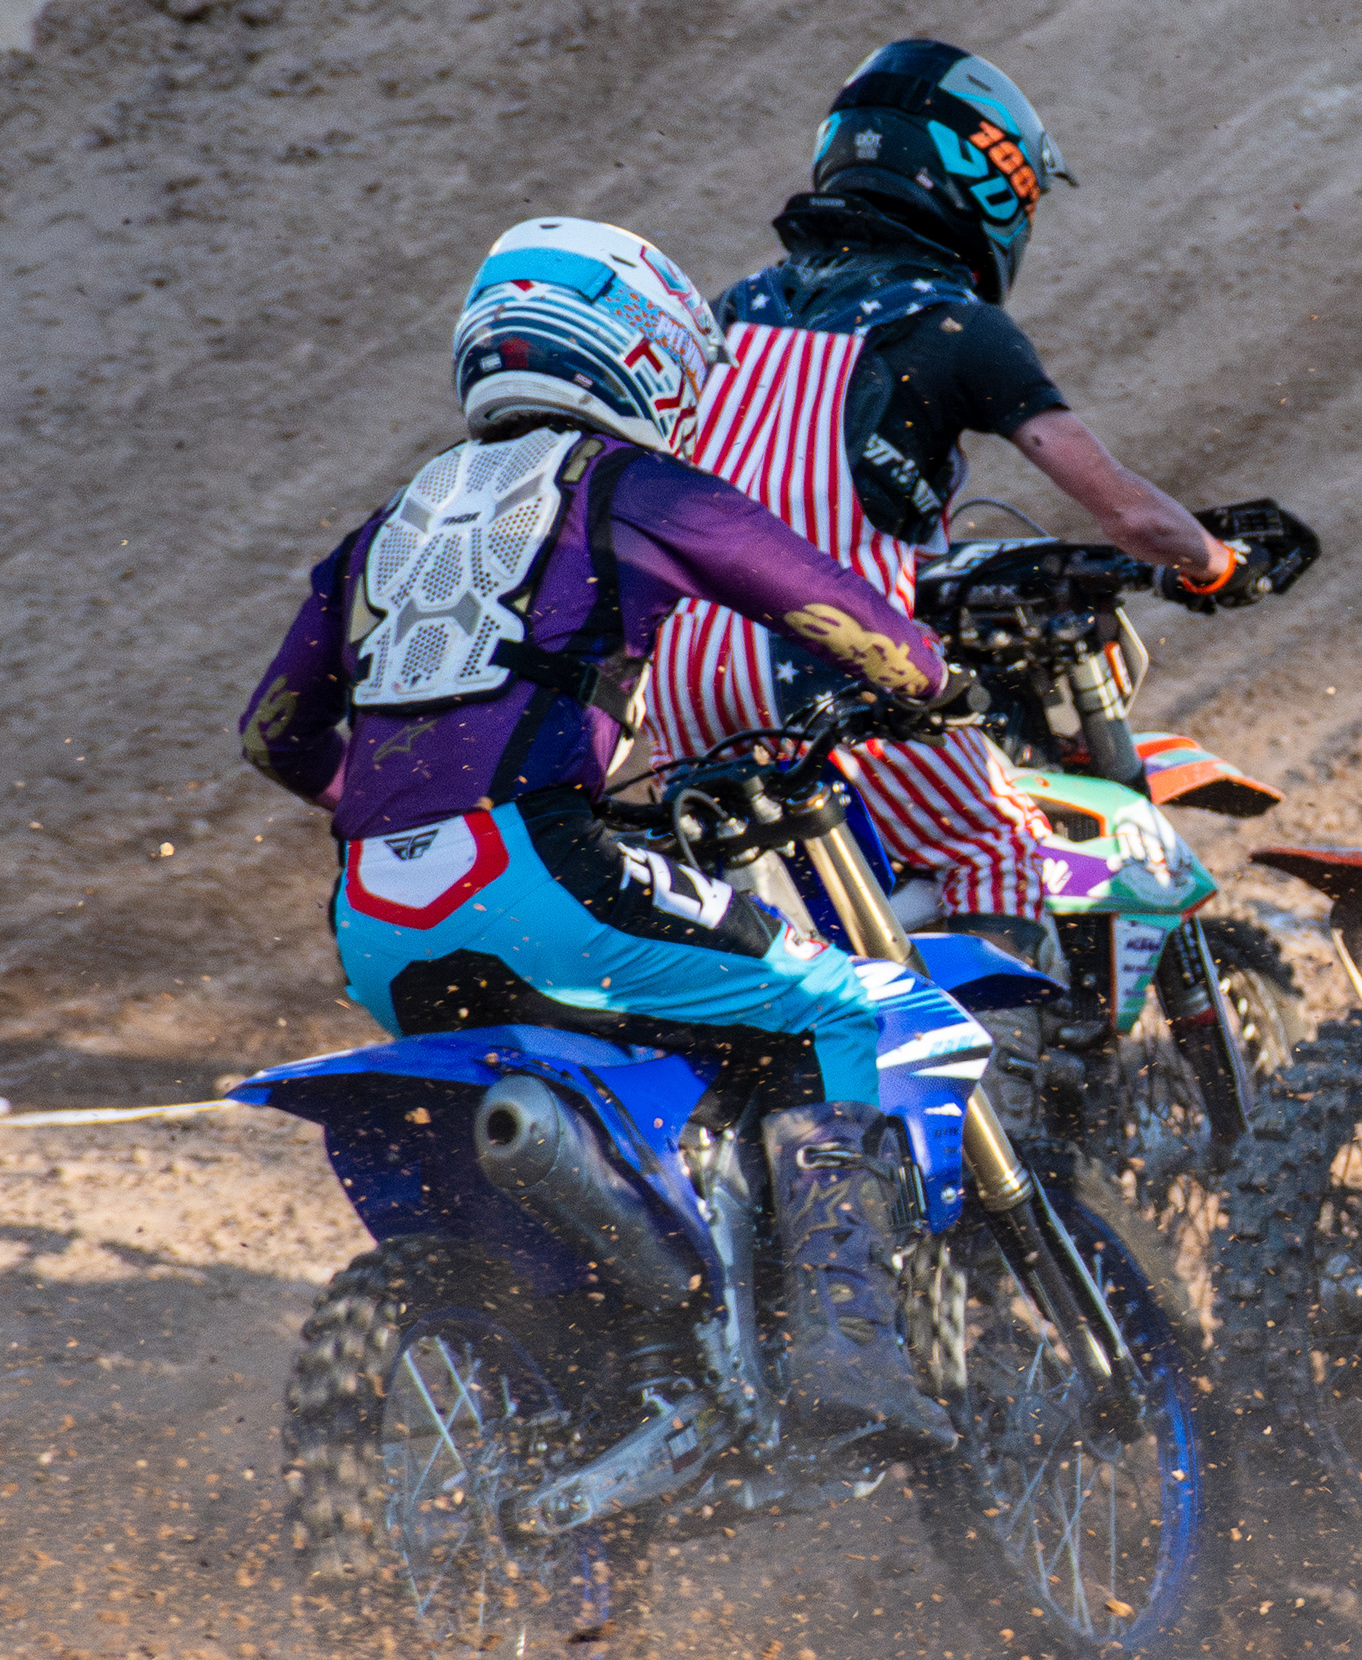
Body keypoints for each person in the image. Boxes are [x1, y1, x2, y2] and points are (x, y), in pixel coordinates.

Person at [241, 219, 973, 1460]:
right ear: (635, 354)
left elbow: (275, 735)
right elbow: (818, 600)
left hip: (376, 913)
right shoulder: (625, 484)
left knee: (652, 1052)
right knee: (845, 1010)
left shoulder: (382, 527)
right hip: (541, 870)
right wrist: (926, 677)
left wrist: (410, 798)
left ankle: (628, 1358)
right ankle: (850, 1354)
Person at [644, 40, 1283, 979]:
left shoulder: (727, 310)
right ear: (985, 177)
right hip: (824, 666)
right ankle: (962, 1110)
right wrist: (1216, 563)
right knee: (1001, 853)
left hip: (680, 676)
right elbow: (1126, 513)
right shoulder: (950, 323)